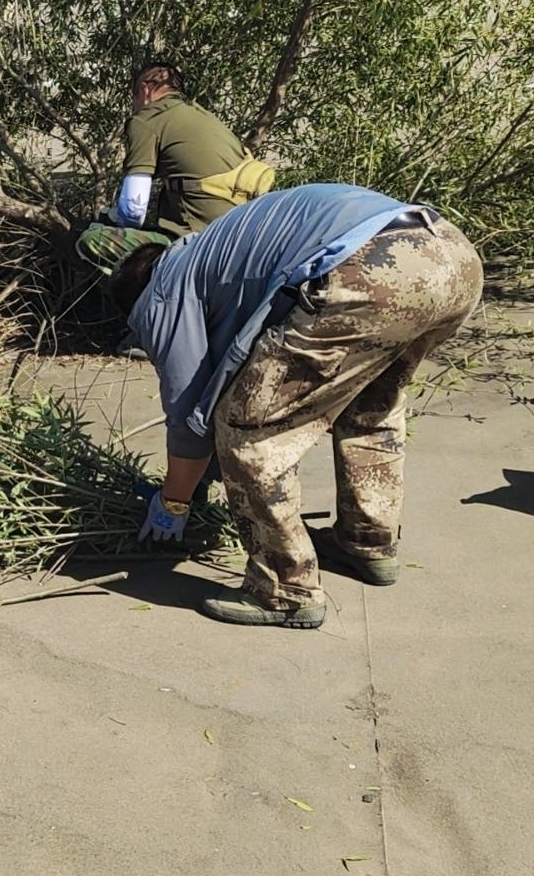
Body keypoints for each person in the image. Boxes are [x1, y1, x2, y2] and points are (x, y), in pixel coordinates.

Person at [118, 183, 484, 629]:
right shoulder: (213, 251)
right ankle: (366, 541)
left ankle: (285, 590)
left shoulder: (162, 291)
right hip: (451, 257)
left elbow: (191, 412)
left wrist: (173, 502)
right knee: (369, 408)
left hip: (370, 268)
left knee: (249, 429)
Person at [76, 62, 275, 279]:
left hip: (198, 245)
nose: (135, 107)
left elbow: (133, 211)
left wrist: (110, 220)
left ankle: (143, 307)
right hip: (241, 239)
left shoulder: (148, 118)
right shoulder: (203, 117)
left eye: (134, 99)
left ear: (144, 90)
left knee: (92, 241)